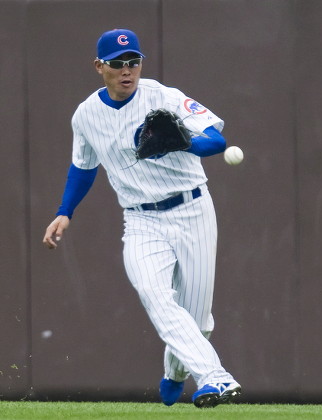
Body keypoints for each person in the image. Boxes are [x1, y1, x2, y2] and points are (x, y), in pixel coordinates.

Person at [43, 29, 241, 408]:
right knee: (156, 297)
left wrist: (184, 141)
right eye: (117, 64)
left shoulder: (163, 97)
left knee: (198, 322)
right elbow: (83, 167)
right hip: (140, 220)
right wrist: (64, 212)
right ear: (99, 66)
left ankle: (175, 373)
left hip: (192, 210)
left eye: (133, 61)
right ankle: (216, 378)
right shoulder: (86, 115)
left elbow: (216, 141)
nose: (127, 70)